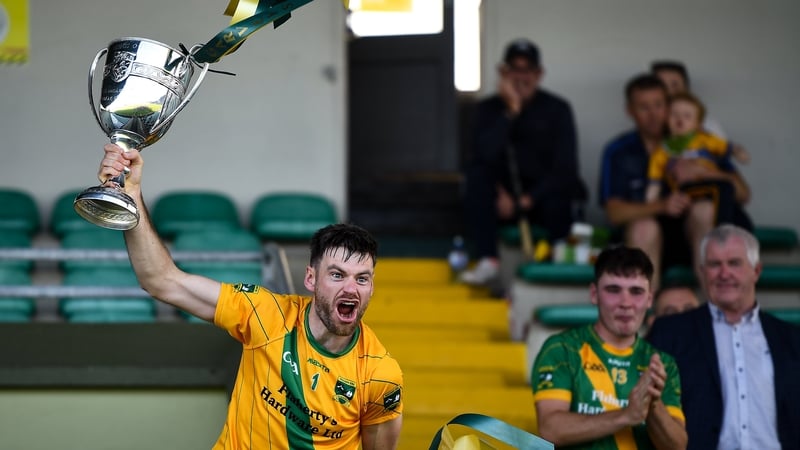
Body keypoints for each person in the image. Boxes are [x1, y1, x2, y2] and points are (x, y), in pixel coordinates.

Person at [97, 144, 404, 450]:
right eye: (337, 275)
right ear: (310, 278)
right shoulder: (263, 314)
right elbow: (161, 281)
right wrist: (131, 194)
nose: (351, 288)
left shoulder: (380, 374)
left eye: (362, 279)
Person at [648, 224, 800, 450]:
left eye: (734, 263)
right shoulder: (670, 332)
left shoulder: (791, 338)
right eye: (714, 264)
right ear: (702, 271)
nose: (724, 273)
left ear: (756, 271)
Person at [598, 74, 749, 290]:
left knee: (704, 210)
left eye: (659, 105)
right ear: (629, 110)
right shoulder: (619, 151)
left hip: (695, 239)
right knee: (644, 227)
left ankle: (714, 310)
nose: (653, 114)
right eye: (643, 107)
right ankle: (645, 317)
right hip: (648, 242)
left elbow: (743, 194)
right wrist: (662, 205)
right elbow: (614, 214)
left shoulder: (698, 140)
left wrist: (705, 172)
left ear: (669, 105)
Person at [531, 246, 687, 449]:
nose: (626, 303)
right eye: (613, 290)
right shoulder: (562, 349)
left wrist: (653, 405)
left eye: (636, 291)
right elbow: (550, 430)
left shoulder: (662, 364)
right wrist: (626, 415)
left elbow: (677, 446)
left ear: (650, 299)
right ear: (594, 294)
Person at [460, 38, 585, 285]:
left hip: (541, 200)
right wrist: (511, 113)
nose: (521, 77)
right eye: (514, 69)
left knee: (561, 194)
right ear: (503, 73)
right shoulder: (487, 109)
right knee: (475, 181)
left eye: (527, 70)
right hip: (501, 202)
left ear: (538, 74)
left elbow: (565, 167)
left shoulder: (558, 109)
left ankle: (556, 260)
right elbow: (481, 157)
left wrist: (524, 201)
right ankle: (488, 260)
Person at [644, 92, 748, 269]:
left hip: (710, 187)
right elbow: (655, 174)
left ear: (698, 124)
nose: (680, 120)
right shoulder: (665, 148)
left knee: (724, 187)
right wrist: (652, 196)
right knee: (721, 188)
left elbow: (727, 148)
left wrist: (737, 154)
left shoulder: (705, 140)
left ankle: (722, 233)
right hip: (685, 190)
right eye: (674, 115)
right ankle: (721, 236)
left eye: (687, 116)